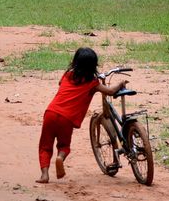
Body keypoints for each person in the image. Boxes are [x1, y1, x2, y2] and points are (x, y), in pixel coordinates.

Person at [37, 47, 126, 183]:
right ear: (93, 66)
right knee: (64, 145)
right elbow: (110, 91)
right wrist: (120, 84)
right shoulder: (92, 83)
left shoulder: (67, 74)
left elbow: (60, 83)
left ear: (75, 62)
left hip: (50, 113)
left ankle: (44, 175)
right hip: (67, 119)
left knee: (45, 145)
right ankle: (60, 157)